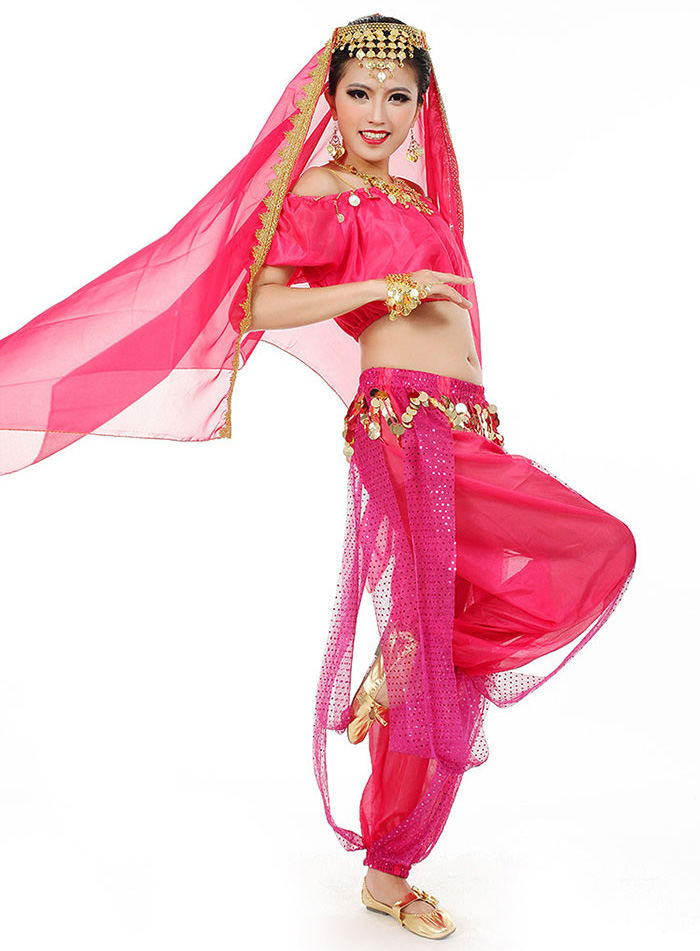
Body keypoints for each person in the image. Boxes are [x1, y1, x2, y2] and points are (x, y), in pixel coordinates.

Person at [0, 14, 636, 941]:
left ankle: (414, 651)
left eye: (397, 96)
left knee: (591, 555)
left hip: (462, 425)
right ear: (329, 99)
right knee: (545, 576)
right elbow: (257, 299)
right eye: (359, 92)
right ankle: (389, 862)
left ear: (421, 108)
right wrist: (385, 291)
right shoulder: (322, 193)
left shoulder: (415, 197)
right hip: (406, 427)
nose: (377, 112)